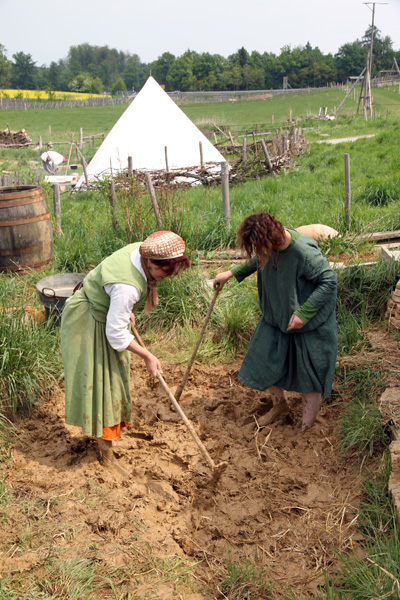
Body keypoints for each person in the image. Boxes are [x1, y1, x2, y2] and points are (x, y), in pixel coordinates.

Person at [61, 230, 190, 469]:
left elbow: (112, 291)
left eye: (172, 271)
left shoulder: (142, 249)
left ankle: (105, 443)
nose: (168, 276)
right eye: (164, 271)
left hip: (102, 312)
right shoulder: (127, 287)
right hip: (87, 320)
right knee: (104, 386)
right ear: (150, 262)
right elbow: (116, 334)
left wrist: (121, 309)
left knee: (112, 381)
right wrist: (147, 356)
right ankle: (106, 454)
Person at [214, 212, 338, 432]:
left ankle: (306, 426)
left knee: (308, 375)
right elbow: (258, 259)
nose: (258, 250)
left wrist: (303, 314)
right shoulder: (268, 246)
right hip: (276, 317)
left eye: (260, 245)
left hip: (306, 324)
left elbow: (328, 281)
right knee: (264, 360)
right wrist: (230, 273)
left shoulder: (302, 252)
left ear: (272, 237)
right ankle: (280, 406)